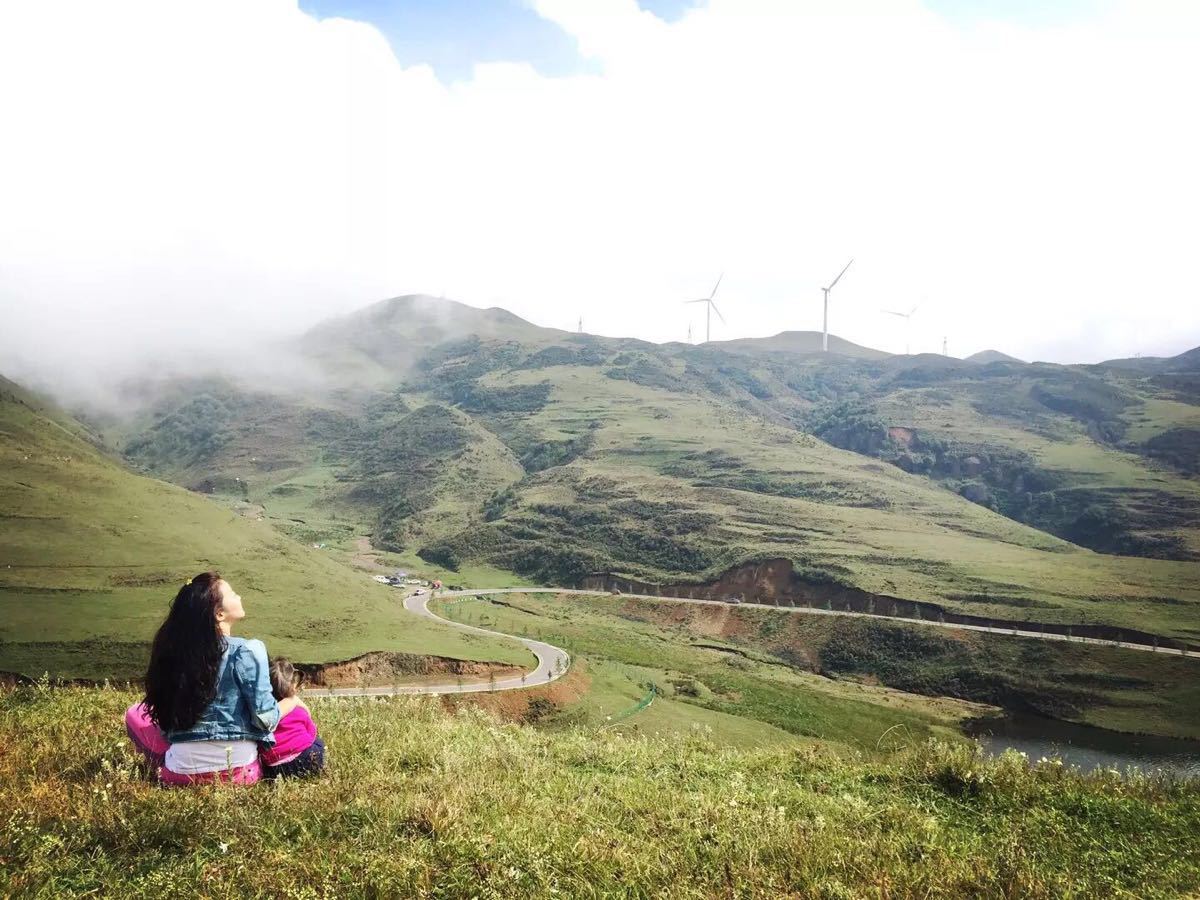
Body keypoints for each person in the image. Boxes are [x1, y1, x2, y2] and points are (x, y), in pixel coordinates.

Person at [124, 572, 293, 785]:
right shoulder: (249, 650)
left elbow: (164, 719)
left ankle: (175, 760)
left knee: (133, 714)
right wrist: (290, 702)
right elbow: (264, 718)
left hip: (179, 775)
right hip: (239, 773)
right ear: (219, 614)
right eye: (232, 594)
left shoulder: (172, 653)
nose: (239, 596)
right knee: (288, 707)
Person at [260, 657, 325, 779]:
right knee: (318, 743)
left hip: (274, 769)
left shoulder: (262, 713)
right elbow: (312, 733)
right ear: (292, 685)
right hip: (306, 759)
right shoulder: (297, 709)